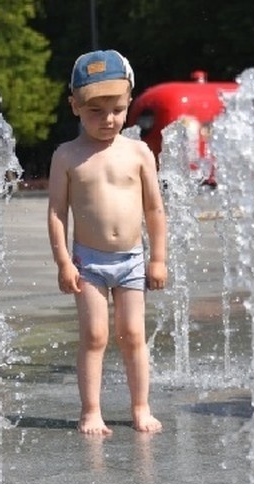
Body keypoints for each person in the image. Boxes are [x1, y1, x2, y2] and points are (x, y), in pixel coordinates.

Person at [46, 50, 168, 436]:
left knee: (133, 334)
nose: (108, 119)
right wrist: (64, 261)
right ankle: (91, 410)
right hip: (89, 261)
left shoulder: (138, 152)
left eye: (116, 109)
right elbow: (55, 213)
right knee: (95, 335)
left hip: (132, 259)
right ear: (75, 107)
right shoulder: (67, 156)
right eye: (95, 111)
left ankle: (140, 407)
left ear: (129, 101)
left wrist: (158, 259)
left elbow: (155, 210)